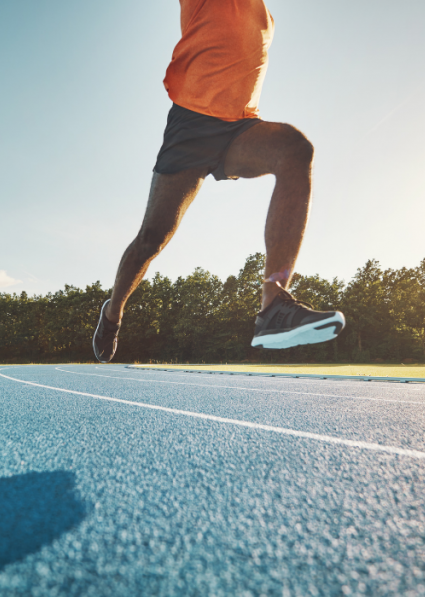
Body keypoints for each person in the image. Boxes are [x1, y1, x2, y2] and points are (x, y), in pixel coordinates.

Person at [93, 0, 345, 363]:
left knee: (294, 149)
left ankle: (274, 306)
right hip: (191, 125)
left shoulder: (265, 17)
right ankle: (112, 314)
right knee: (153, 237)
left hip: (239, 129)